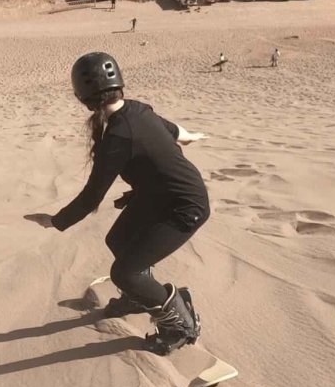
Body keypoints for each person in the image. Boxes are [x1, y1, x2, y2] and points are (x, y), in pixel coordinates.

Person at [25, 52, 210, 354]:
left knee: (124, 272)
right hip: (158, 195)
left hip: (185, 207)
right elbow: (171, 130)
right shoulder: (136, 109)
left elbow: (91, 197)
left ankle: (180, 325)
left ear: (82, 97)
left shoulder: (118, 137)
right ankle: (140, 296)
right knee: (118, 239)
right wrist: (188, 136)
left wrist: (54, 221)